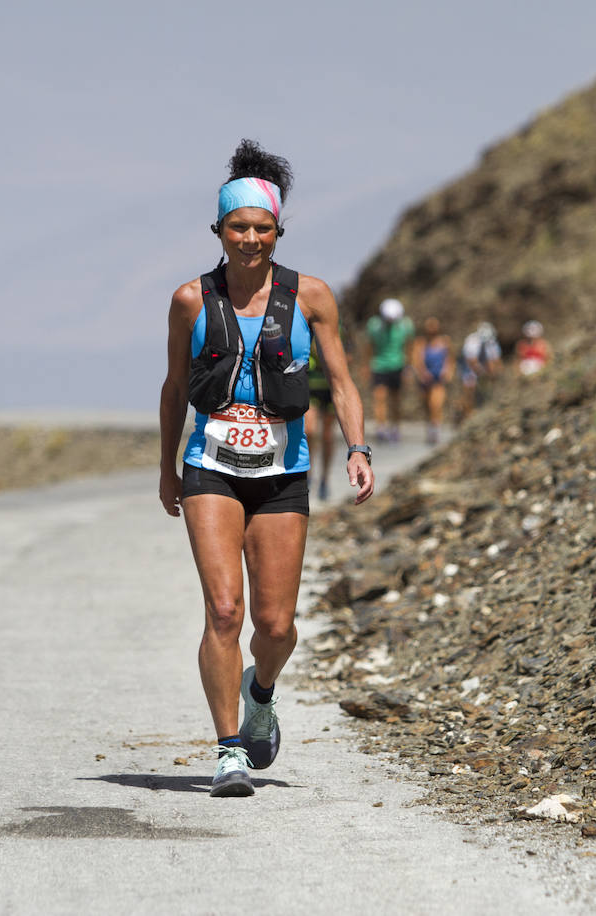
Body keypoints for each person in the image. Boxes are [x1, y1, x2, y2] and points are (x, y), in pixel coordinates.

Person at [159, 140, 375, 798]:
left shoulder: (311, 298)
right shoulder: (191, 300)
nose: (250, 239)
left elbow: (340, 382)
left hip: (283, 473)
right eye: (238, 227)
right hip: (211, 469)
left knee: (275, 626)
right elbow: (174, 388)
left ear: (279, 230)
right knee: (225, 611)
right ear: (218, 232)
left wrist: (359, 448)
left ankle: (262, 693)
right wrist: (167, 466)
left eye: (262, 228)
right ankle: (228, 751)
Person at [365, 298, 413, 443]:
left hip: (398, 365)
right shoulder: (374, 325)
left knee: (396, 399)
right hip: (379, 365)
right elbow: (369, 346)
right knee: (379, 397)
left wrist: (408, 367)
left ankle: (395, 427)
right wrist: (366, 366)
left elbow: (409, 346)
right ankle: (381, 427)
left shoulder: (406, 325)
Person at [411, 316, 455, 444]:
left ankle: (435, 428)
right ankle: (430, 427)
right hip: (425, 379)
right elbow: (416, 359)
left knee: (436, 403)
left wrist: (447, 371)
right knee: (426, 405)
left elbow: (450, 358)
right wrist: (422, 373)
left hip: (438, 378)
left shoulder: (445, 341)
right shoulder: (421, 342)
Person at [303, 339, 337, 501]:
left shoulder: (339, 329)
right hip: (311, 389)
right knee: (309, 430)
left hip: (330, 389)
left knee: (327, 436)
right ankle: (308, 474)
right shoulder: (307, 327)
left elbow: (347, 358)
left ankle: (324, 478)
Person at [458, 321, 503, 420]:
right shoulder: (472, 340)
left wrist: (494, 374)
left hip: (482, 363)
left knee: (489, 382)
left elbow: (494, 360)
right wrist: (482, 373)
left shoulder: (491, 342)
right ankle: (466, 411)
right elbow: (471, 361)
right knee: (470, 384)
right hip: (467, 366)